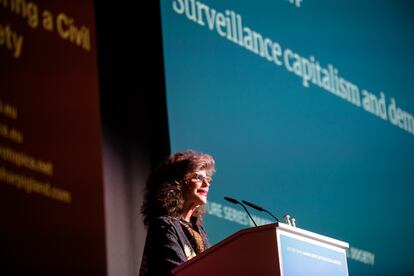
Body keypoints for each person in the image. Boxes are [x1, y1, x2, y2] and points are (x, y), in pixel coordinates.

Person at [139, 150, 215, 276]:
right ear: (178, 183)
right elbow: (179, 272)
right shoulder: (163, 226)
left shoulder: (198, 229)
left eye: (208, 179)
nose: (206, 184)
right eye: (199, 177)